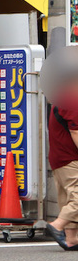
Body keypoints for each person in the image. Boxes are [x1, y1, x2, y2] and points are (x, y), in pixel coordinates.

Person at [46, 75, 78, 250]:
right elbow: (76, 132)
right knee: (76, 197)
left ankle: (71, 239)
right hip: (71, 158)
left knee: (69, 198)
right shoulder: (73, 100)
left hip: (60, 157)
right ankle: (58, 224)